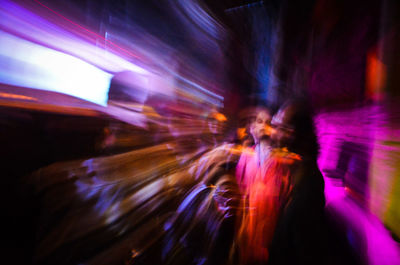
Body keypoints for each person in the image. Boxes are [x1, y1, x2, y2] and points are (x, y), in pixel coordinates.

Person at [267, 100, 326, 265]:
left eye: (281, 128)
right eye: (274, 126)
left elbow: (306, 251)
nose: (273, 134)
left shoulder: (308, 185)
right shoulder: (294, 172)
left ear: (296, 134)